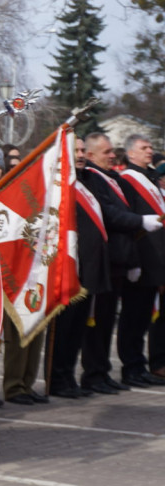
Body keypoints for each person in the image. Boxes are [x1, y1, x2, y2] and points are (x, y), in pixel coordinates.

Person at [80, 133, 150, 394]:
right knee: (96, 323)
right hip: (105, 261)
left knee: (107, 320)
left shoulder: (114, 179)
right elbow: (110, 214)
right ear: (90, 155)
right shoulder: (93, 178)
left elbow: (127, 211)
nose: (113, 155)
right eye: (107, 152)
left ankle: (102, 372)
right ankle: (93, 374)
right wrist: (140, 222)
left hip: (121, 259)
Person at [46, 136, 110, 398]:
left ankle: (68, 377)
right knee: (63, 329)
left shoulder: (89, 181)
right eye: (77, 150)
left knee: (77, 329)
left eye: (84, 150)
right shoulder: (57, 182)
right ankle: (57, 379)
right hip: (66, 268)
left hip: (87, 269)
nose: (82, 154)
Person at [115, 134, 165, 387]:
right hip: (140, 259)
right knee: (132, 317)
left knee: (144, 316)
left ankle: (139, 365)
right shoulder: (128, 180)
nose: (150, 151)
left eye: (150, 146)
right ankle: (131, 367)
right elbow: (129, 224)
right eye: (144, 148)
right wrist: (132, 261)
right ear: (131, 153)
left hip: (154, 261)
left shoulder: (149, 179)